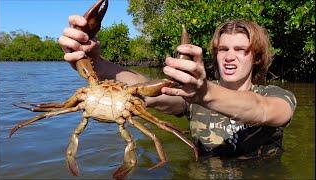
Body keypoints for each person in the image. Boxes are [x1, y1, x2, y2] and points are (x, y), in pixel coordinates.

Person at [59, 15, 296, 159]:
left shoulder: (276, 96)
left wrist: (204, 93)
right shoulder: (190, 99)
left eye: (240, 50)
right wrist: (96, 63)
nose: (229, 57)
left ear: (256, 57)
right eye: (223, 49)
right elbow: (142, 89)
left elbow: (262, 109)